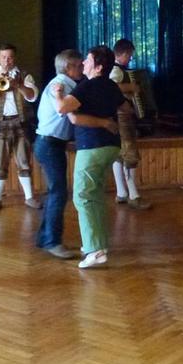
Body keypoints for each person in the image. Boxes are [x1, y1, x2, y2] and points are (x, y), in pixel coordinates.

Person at [53, 45, 132, 269]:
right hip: (111, 146)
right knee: (95, 196)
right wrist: (106, 116)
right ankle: (97, 244)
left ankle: (95, 251)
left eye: (87, 60)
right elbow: (126, 109)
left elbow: (62, 108)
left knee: (83, 197)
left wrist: (57, 93)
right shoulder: (110, 85)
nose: (83, 64)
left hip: (92, 147)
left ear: (97, 67)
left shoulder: (87, 86)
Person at [34, 49, 118, 259]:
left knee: (57, 191)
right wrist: (105, 122)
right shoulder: (64, 85)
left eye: (85, 63)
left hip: (51, 143)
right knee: (58, 192)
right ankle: (52, 241)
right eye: (80, 64)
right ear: (68, 67)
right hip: (49, 143)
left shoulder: (70, 85)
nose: (83, 67)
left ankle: (46, 238)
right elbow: (68, 113)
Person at [0, 43, 41, 212]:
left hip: (21, 122)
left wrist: (18, 85)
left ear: (15, 58)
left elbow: (32, 96)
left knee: (24, 161)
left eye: (10, 57)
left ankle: (29, 197)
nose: (7, 61)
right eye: (4, 57)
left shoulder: (24, 75)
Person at [109, 38, 152, 210]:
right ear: (123, 53)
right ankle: (134, 195)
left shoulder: (116, 70)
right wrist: (131, 87)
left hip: (117, 117)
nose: (130, 59)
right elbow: (111, 86)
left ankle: (121, 193)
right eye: (130, 55)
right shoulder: (116, 70)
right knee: (130, 154)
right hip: (122, 117)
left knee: (119, 156)